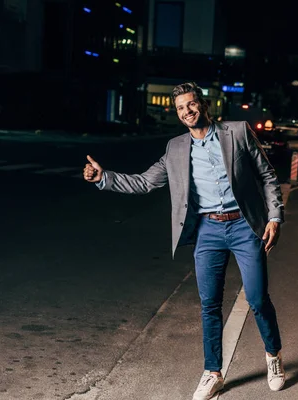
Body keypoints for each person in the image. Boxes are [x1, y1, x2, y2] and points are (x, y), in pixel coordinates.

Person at [83, 82, 286, 399]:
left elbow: (267, 175)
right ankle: (213, 371)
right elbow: (145, 182)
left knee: (258, 299)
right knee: (209, 305)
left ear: (203, 105)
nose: (187, 111)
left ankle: (273, 355)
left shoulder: (238, 132)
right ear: (177, 113)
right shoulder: (176, 148)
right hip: (208, 231)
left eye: (191, 104)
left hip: (245, 226)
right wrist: (103, 177)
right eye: (180, 108)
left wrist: (274, 215)